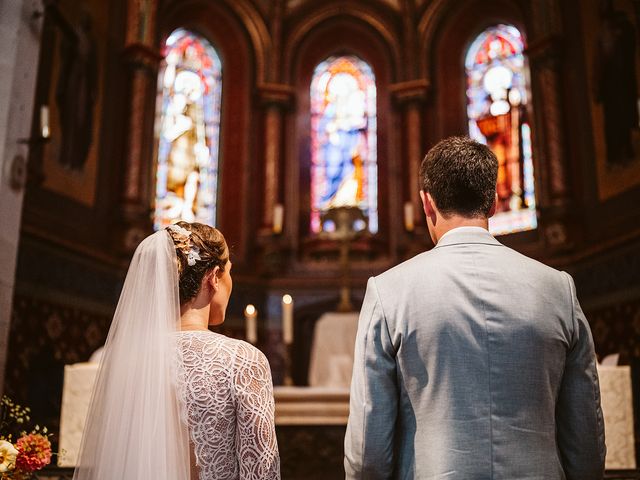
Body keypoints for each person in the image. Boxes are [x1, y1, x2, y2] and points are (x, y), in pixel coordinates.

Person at [344, 136, 605, 479]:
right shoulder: (558, 288)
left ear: (427, 203)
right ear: (494, 202)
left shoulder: (388, 292)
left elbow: (368, 453)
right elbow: (585, 436)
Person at [74, 222, 280, 480]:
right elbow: (262, 472)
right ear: (213, 277)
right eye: (229, 272)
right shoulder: (242, 360)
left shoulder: (126, 358)